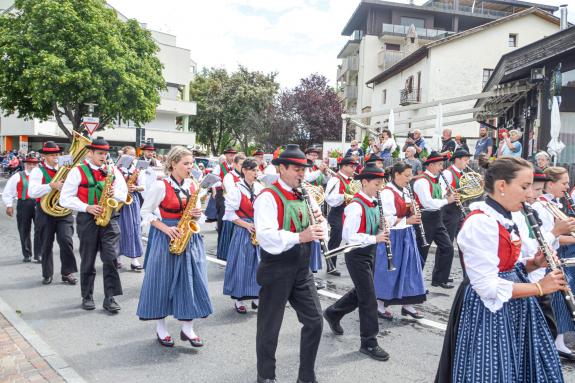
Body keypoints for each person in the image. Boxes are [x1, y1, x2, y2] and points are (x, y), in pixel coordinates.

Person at [435, 157, 566, 383]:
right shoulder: (480, 223)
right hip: (489, 311)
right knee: (492, 370)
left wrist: (533, 263)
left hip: (513, 305)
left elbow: (505, 264)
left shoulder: (507, 216)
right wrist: (538, 287)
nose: (529, 194)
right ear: (502, 186)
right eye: (524, 187)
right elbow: (487, 285)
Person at [254, 144, 326, 383]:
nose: (301, 173)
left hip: (301, 267)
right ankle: (266, 376)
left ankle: (306, 376)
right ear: (281, 168)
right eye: (296, 169)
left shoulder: (303, 193)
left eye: (303, 169)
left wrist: (321, 227)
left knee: (315, 321)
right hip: (277, 267)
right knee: (270, 326)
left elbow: (321, 219)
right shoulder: (268, 196)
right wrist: (299, 236)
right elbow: (265, 236)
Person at [137, 146, 212, 348]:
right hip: (166, 236)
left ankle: (188, 327)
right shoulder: (160, 186)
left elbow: (201, 215)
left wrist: (198, 214)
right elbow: (145, 212)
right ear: (172, 164)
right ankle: (161, 327)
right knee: (161, 281)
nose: (190, 167)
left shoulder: (193, 185)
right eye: (185, 164)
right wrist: (165, 229)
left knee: (192, 281)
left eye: (191, 163)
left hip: (189, 237)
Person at [323, 165, 390, 361]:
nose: (380, 187)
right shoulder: (355, 205)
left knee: (362, 290)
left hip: (369, 251)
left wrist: (384, 230)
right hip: (356, 254)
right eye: (376, 183)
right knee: (368, 297)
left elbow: (375, 226)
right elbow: (349, 236)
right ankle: (368, 342)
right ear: (365, 182)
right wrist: (375, 239)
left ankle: (333, 313)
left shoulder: (375, 203)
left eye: (381, 183)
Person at [59, 138, 127, 312]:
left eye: (106, 153)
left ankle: (110, 297)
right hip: (87, 219)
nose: (104, 157)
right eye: (100, 153)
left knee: (111, 258)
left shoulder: (112, 170)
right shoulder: (77, 171)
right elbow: (65, 198)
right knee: (88, 259)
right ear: (90, 153)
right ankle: (87, 295)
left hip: (109, 219)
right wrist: (86, 207)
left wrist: (114, 194)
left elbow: (123, 193)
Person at [532, 166, 575, 361]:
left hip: (553, 255)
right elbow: (548, 237)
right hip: (545, 258)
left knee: (560, 300)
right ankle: (550, 343)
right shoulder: (540, 206)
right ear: (551, 184)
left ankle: (557, 342)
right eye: (564, 183)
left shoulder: (552, 203)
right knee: (553, 301)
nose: (567, 187)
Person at [375, 162, 426, 320]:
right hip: (393, 236)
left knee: (410, 269)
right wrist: (408, 220)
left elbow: (406, 212)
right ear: (396, 174)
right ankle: (380, 305)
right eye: (406, 175)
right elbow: (386, 219)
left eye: (410, 175)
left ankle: (408, 304)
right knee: (390, 270)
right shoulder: (387, 192)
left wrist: (413, 211)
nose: (409, 179)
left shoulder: (405, 190)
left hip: (407, 234)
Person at [28, 141, 78, 285]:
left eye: (56, 154)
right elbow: (32, 192)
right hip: (45, 212)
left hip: (63, 211)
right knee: (46, 243)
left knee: (66, 241)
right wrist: (51, 186)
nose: (55, 157)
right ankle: (47, 273)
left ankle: (68, 273)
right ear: (44, 156)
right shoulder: (38, 171)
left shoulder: (66, 168)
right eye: (51, 155)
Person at [223, 158, 263, 313]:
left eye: (257, 170)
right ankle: (238, 300)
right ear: (245, 171)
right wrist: (246, 225)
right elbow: (229, 214)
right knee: (242, 264)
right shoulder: (236, 189)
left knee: (258, 264)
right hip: (243, 229)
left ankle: (256, 297)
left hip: (258, 228)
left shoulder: (259, 187)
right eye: (253, 170)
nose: (255, 173)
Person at [412, 151, 457, 289]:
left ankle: (439, 279)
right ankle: (414, 284)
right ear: (431, 165)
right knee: (422, 253)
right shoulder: (422, 181)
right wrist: (447, 200)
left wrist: (448, 194)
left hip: (437, 217)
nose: (441, 168)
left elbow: (439, 196)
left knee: (448, 248)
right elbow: (427, 202)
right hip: (425, 218)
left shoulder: (436, 180)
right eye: (439, 165)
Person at [2, 154, 41, 263]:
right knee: (24, 229)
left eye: (34, 164)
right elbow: (8, 191)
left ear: (37, 165)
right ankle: (27, 254)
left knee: (40, 229)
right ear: (25, 164)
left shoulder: (41, 176)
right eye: (29, 164)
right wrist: (9, 205)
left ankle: (39, 254)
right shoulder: (18, 176)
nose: (32, 166)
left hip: (39, 204)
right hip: (24, 204)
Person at [325, 157, 358, 276]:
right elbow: (328, 197)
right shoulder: (335, 180)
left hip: (349, 212)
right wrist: (345, 197)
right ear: (343, 167)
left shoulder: (351, 180)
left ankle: (353, 264)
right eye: (351, 166)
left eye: (354, 166)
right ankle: (330, 266)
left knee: (352, 238)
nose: (354, 168)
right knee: (335, 240)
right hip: (338, 212)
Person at [117, 146, 146, 271]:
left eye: (134, 155)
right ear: (123, 155)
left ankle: (134, 259)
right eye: (129, 154)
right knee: (118, 229)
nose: (132, 157)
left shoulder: (137, 169)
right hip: (119, 200)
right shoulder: (116, 169)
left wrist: (135, 188)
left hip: (132, 200)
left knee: (134, 228)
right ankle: (116, 258)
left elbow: (143, 186)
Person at [217, 152, 245, 261]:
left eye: (245, 164)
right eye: (241, 164)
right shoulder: (229, 176)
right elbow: (231, 194)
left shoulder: (244, 176)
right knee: (230, 241)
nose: (243, 167)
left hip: (243, 212)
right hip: (234, 211)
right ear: (234, 164)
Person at [440, 149, 470, 245]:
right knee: (448, 242)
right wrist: (450, 194)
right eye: (465, 160)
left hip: (459, 210)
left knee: (463, 242)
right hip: (449, 211)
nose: (468, 162)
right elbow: (440, 192)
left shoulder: (463, 174)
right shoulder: (447, 173)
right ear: (457, 160)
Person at [212, 148, 237, 253]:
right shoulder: (219, 167)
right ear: (226, 155)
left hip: (233, 195)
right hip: (222, 194)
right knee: (222, 218)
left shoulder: (236, 167)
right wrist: (220, 183)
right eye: (230, 155)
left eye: (233, 155)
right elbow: (213, 180)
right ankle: (221, 247)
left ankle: (231, 246)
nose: (232, 157)